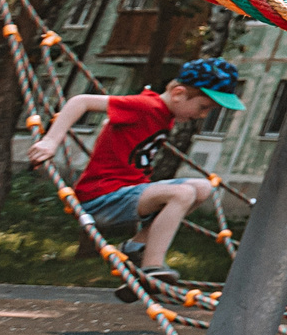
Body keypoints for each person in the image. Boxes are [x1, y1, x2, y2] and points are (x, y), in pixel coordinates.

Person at [27, 57, 241, 299]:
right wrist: (51, 141)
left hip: (127, 193)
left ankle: (135, 248)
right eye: (203, 107)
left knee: (203, 188)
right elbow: (81, 101)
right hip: (102, 196)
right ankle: (150, 268)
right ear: (179, 93)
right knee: (182, 193)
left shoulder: (162, 113)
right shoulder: (145, 106)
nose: (202, 116)